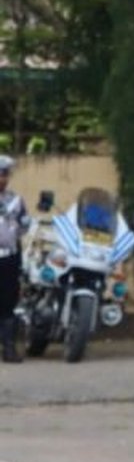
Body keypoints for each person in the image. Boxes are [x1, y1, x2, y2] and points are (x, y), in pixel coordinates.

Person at [0, 156, 29, 364]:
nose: (2, 179)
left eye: (4, 174)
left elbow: (23, 227)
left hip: (8, 258)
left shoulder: (16, 201)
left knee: (8, 303)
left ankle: (8, 348)